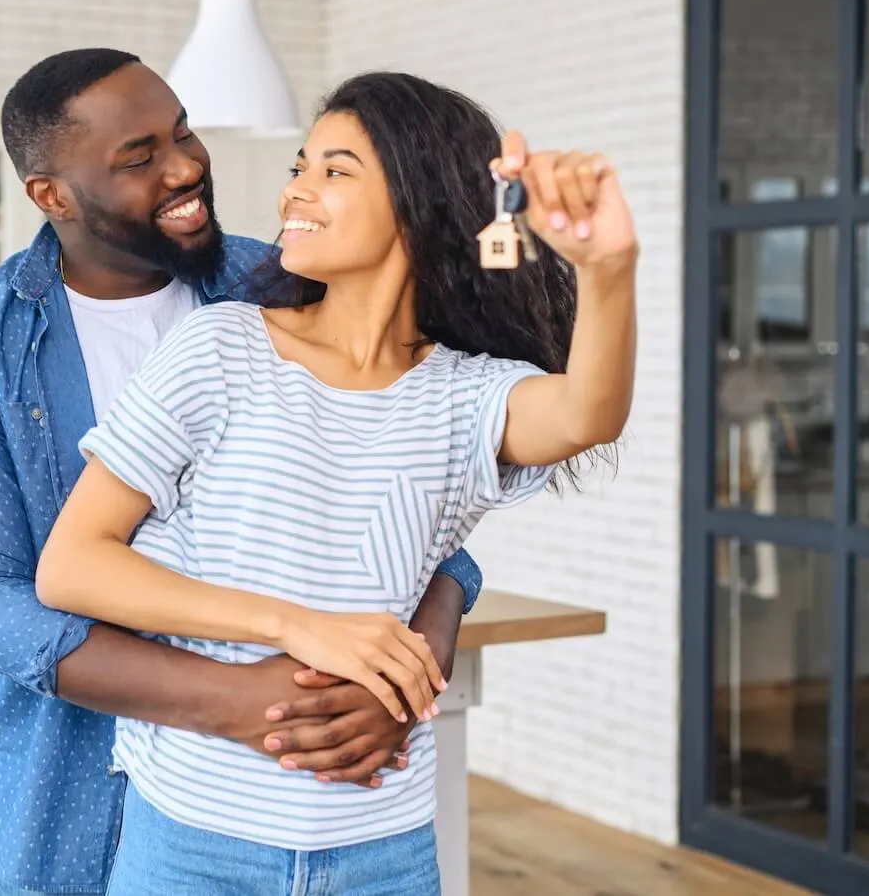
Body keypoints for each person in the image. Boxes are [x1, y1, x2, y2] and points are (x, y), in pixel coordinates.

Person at [0, 49, 487, 896]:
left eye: (183, 133)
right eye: (139, 157)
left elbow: (430, 497)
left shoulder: (284, 284)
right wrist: (235, 700)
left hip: (308, 785)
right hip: (77, 768)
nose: (185, 168)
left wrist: (408, 668)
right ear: (50, 194)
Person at [35, 70, 637, 894]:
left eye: (334, 170)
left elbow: (585, 415)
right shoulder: (221, 349)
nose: (295, 194)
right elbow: (72, 565)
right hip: (194, 840)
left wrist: (609, 270)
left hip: (382, 850)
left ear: (419, 198)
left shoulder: (465, 393)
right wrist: (299, 625)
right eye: (298, 168)